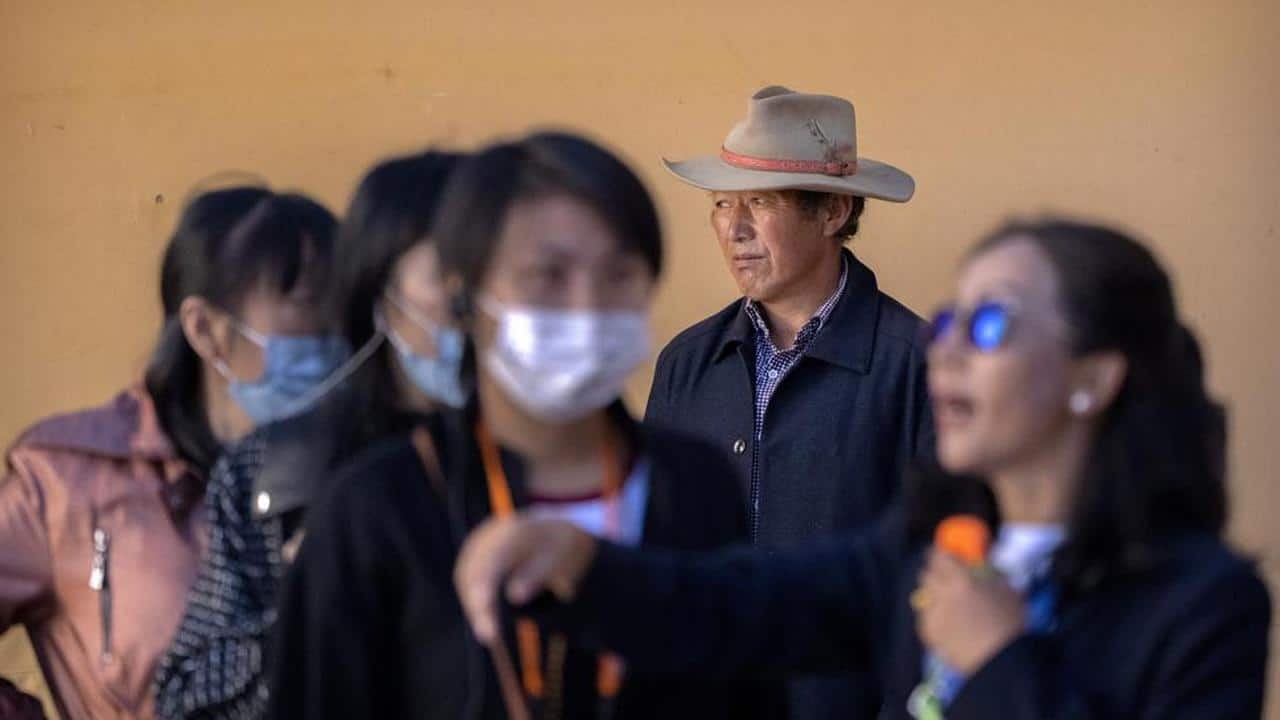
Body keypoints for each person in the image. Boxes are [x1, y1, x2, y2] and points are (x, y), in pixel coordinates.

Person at [456, 219, 1272, 719]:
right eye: (950, 318)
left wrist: (1001, 662)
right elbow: (742, 602)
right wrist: (586, 566)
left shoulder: (1204, 602)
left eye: (990, 324)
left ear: (1095, 377)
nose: (943, 349)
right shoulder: (925, 549)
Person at [269, 132, 768, 719]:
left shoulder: (696, 488)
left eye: (618, 274)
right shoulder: (376, 510)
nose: (586, 308)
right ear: (466, 297)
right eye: (546, 276)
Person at [0, 186, 343, 720]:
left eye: (343, 310)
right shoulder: (67, 480)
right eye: (307, 310)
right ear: (206, 330)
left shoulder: (363, 465)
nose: (334, 338)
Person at [646, 84, 932, 716]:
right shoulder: (687, 363)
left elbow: (933, 576)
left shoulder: (916, 366)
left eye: (760, 203)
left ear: (832, 213)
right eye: (723, 204)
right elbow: (656, 557)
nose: (734, 229)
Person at [151, 150, 465, 719]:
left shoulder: (591, 453)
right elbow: (187, 701)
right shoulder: (271, 471)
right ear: (381, 292)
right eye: (451, 277)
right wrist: (311, 607)